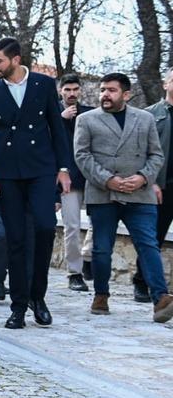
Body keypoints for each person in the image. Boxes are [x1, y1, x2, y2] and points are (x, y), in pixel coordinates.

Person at [0, 37, 72, 330]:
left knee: (43, 227)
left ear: (16, 59)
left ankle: (37, 297)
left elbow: (57, 128)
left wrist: (63, 168)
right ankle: (18, 307)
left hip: (41, 169)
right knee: (15, 238)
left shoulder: (43, 85)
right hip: (6, 173)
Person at [73, 73, 173, 323]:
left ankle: (160, 298)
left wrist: (142, 178)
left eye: (112, 90)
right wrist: (108, 179)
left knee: (149, 244)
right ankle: (101, 294)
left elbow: (156, 155)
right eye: (103, 90)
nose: (105, 94)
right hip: (103, 192)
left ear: (126, 95)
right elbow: (82, 156)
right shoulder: (86, 120)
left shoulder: (145, 118)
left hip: (139, 193)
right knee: (102, 248)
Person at [134, 68, 173, 303]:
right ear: (165, 84)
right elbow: (142, 153)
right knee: (152, 237)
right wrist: (151, 182)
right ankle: (141, 282)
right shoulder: (150, 115)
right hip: (161, 186)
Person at [58, 73, 95, 292]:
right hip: (67, 179)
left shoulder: (90, 113)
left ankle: (88, 256)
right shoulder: (53, 114)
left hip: (91, 177)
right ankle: (74, 272)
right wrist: (61, 119)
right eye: (67, 90)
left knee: (98, 223)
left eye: (75, 90)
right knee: (71, 226)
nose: (72, 94)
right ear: (61, 91)